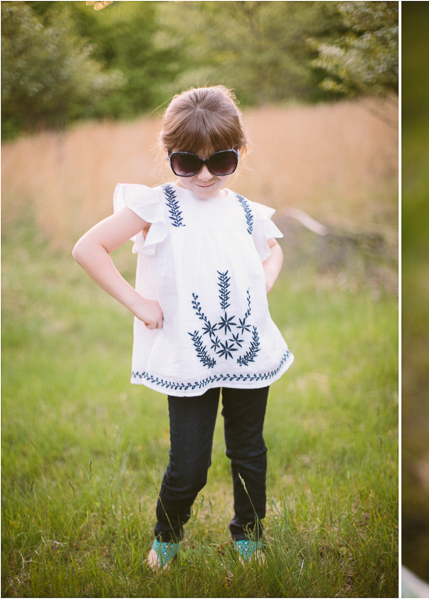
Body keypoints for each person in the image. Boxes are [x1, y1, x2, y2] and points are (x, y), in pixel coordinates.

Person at [73, 85, 294, 569]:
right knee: (190, 465)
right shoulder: (155, 206)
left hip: (246, 351)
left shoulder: (244, 211)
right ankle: (167, 536)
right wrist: (138, 302)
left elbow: (272, 251)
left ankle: (248, 535)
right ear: (168, 155)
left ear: (240, 152)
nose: (205, 176)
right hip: (187, 356)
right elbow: (88, 248)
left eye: (221, 161)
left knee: (248, 453)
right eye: (187, 163)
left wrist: (261, 287)